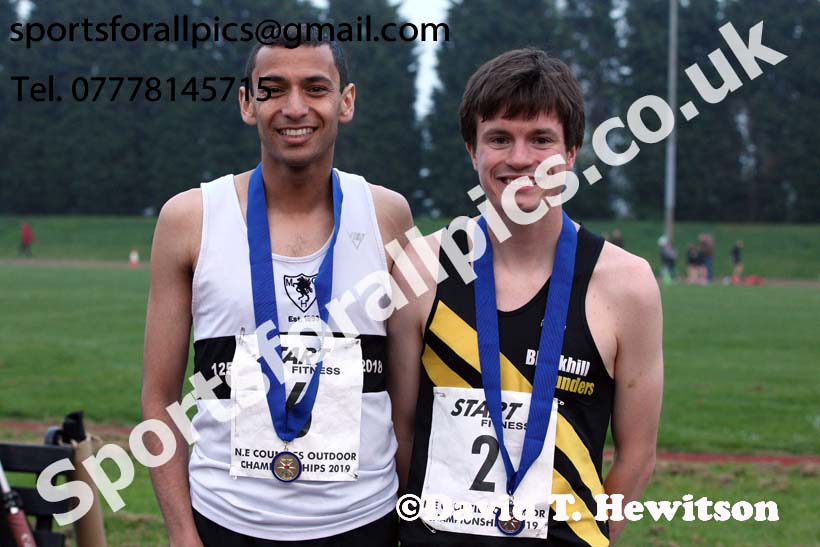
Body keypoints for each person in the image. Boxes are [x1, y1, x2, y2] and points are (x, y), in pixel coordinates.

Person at [141, 26, 413, 547]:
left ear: (346, 101)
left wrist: (406, 520)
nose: (294, 107)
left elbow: (405, 398)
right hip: (225, 521)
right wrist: (181, 532)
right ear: (247, 103)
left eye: (315, 88)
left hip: (363, 522)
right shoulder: (190, 218)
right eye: (272, 89)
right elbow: (159, 399)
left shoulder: (387, 215)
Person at [389, 49, 663, 546]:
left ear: (572, 152)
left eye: (541, 140)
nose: (520, 159)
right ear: (472, 150)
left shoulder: (628, 285)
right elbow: (400, 433)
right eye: (499, 139)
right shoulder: (421, 270)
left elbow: (637, 455)